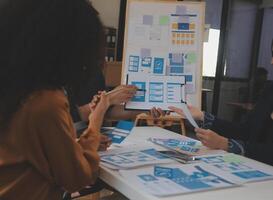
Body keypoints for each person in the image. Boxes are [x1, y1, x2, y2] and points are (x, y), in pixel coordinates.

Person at [0, 0, 110, 199]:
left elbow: (28, 152)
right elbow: (77, 178)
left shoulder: (15, 91)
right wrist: (95, 124)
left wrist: (80, 142)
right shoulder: (45, 102)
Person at [169, 40, 273, 165]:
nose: (271, 61)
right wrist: (202, 116)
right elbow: (245, 131)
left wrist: (225, 144)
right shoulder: (270, 90)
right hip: (256, 168)